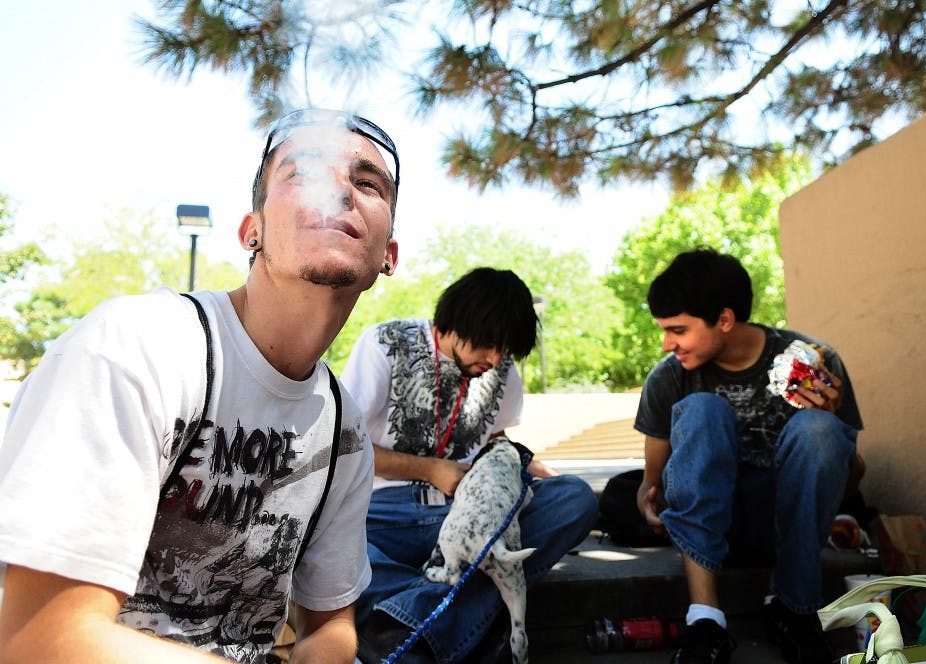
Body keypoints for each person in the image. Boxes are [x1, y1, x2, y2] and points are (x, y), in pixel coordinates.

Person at [0, 108, 402, 663]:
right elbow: (38, 641)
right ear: (251, 230)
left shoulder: (345, 431)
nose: (339, 190)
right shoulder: (135, 349)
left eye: (366, 182)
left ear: (389, 256)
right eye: (305, 171)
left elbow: (331, 626)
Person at [341, 267, 599, 663]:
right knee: (328, 544)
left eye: (505, 349)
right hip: (380, 514)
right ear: (455, 322)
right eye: (488, 344)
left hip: (467, 515)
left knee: (575, 498)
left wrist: (541, 474)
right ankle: (456, 624)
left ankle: (408, 619)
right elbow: (346, 445)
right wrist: (430, 470)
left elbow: (497, 445)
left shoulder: (502, 368)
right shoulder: (384, 343)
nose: (495, 359)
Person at [633, 249, 863, 664]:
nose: (668, 344)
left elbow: (851, 480)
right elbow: (652, 484)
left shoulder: (812, 362)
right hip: (707, 527)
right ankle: (705, 619)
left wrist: (831, 433)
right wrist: (648, 503)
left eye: (678, 330)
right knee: (703, 410)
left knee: (820, 430)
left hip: (789, 527)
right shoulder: (669, 377)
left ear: (724, 319)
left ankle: (793, 609)